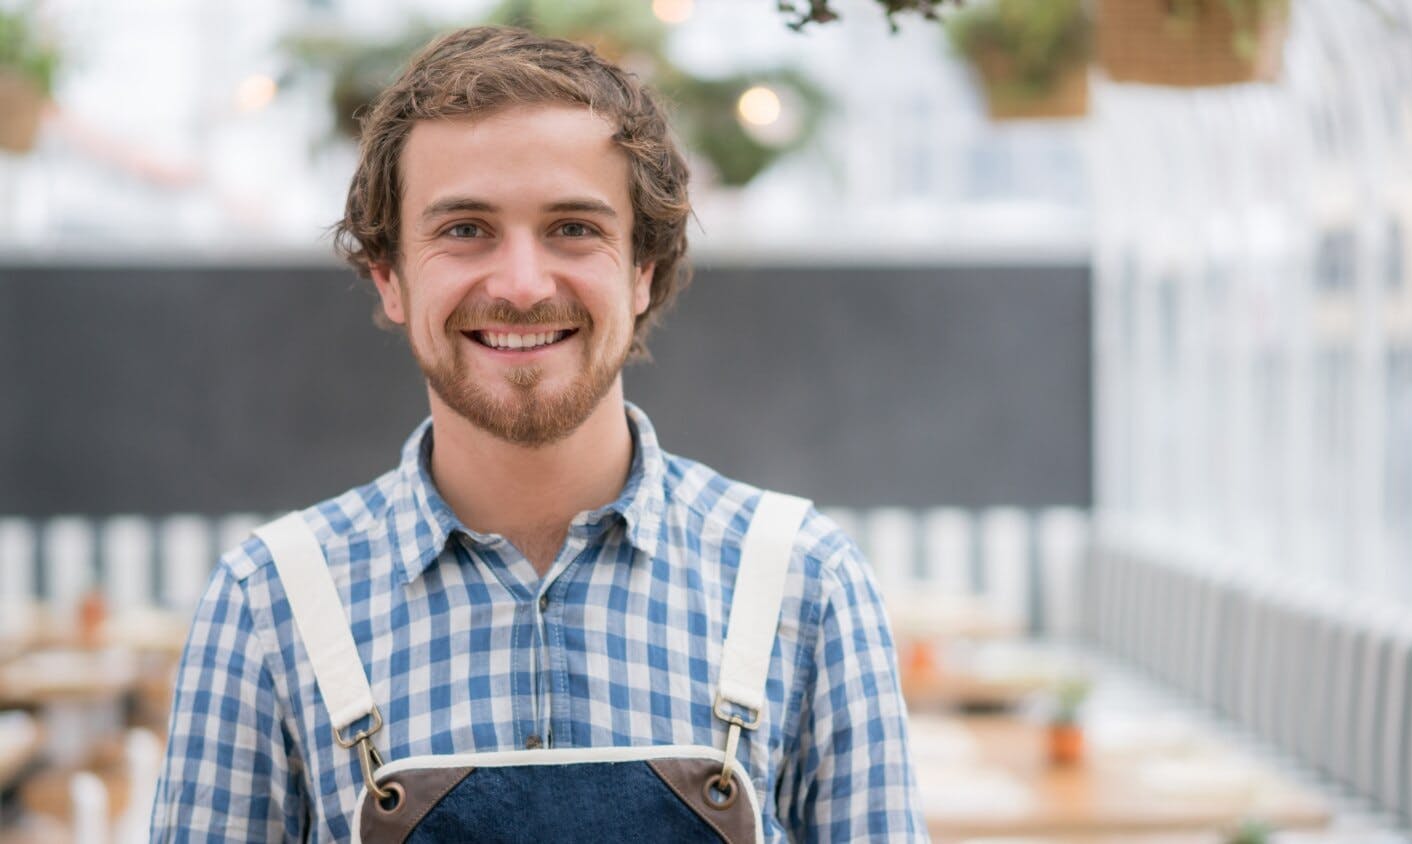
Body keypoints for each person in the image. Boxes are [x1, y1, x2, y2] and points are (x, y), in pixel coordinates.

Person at [151, 25, 925, 842]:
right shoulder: (268, 606)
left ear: (641, 273)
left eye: (573, 228)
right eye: (464, 230)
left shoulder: (808, 585)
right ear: (390, 277)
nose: (522, 286)